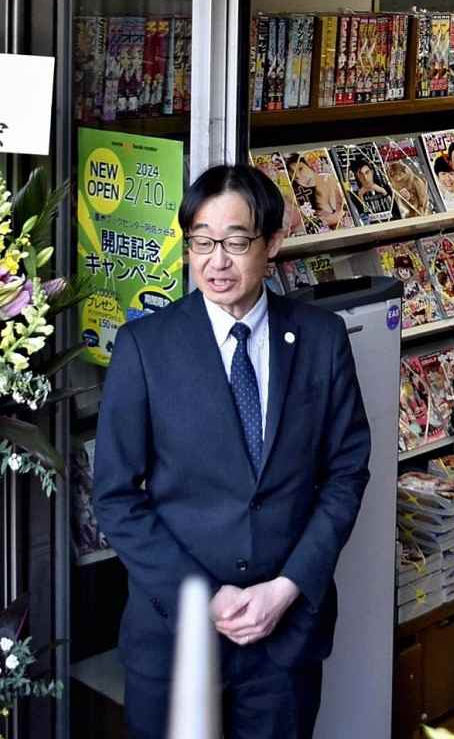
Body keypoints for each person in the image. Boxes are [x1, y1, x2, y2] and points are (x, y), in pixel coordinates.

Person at [94, 164, 371, 739]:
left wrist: (288, 586)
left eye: (235, 242)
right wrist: (204, 598)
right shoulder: (146, 347)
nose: (216, 261)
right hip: (174, 638)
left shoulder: (321, 339)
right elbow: (117, 499)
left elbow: (345, 474)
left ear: (272, 243)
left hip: (284, 638)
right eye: (201, 241)